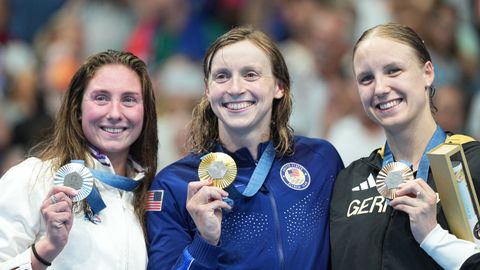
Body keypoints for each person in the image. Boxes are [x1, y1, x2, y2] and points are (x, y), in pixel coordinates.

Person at [147, 26, 344, 269]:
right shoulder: (176, 184)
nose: (235, 88)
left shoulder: (320, 161)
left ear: (279, 87)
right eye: (222, 76)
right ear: (208, 91)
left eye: (250, 74)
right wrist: (206, 241)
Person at [329, 23, 480, 270]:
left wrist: (433, 237)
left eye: (393, 70)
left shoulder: (471, 164)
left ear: (427, 73)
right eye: (366, 78)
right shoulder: (349, 180)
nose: (380, 88)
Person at [0, 50, 158, 269]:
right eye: (101, 98)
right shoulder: (31, 179)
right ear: (78, 109)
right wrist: (46, 250)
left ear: (145, 112)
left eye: (129, 100)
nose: (114, 113)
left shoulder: (150, 194)